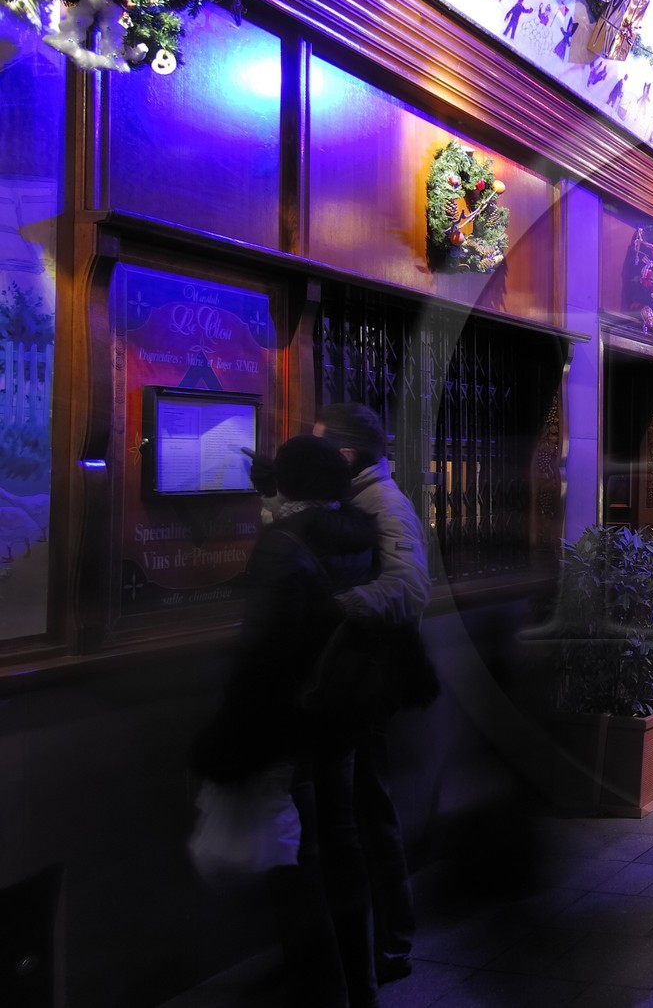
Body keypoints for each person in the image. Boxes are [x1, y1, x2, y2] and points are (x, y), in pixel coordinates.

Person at [196, 436, 381, 1007]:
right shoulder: (356, 534)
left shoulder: (282, 544)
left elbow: (264, 651)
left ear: (289, 483)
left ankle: (321, 993)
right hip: (340, 713)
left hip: (291, 722)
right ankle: (362, 985)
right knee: (343, 847)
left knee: (297, 864)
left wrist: (232, 738)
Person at [311, 403, 434, 985]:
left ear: (345, 453)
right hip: (356, 675)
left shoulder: (382, 503)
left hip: (367, 675)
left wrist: (339, 606)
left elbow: (410, 586)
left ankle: (390, 943)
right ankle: (379, 942)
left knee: (368, 811)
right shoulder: (355, 498)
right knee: (363, 810)